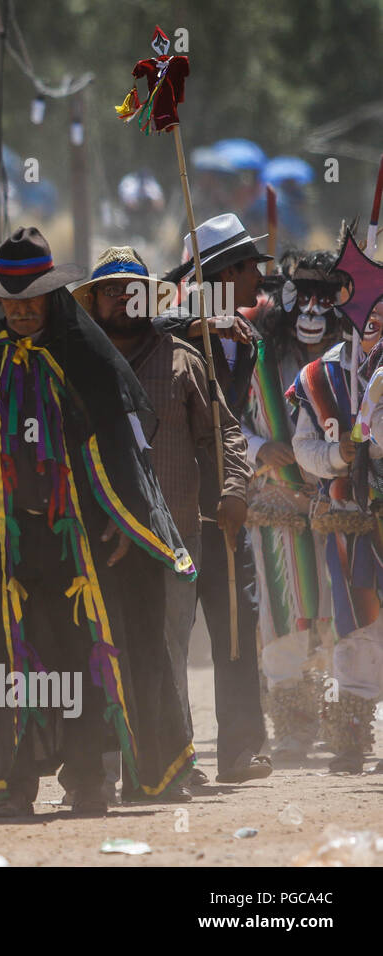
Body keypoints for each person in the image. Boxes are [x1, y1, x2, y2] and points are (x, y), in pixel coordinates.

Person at [0, 227, 197, 817]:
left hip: (82, 544)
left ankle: (89, 778)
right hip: (4, 547)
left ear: (53, 297)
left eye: (33, 296)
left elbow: (122, 449)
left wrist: (122, 518)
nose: (21, 309)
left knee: (86, 655)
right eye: (10, 298)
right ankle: (14, 786)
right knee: (13, 663)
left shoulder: (86, 358)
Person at [76, 245, 260, 794]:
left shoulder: (184, 358)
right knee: (101, 646)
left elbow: (224, 431)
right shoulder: (79, 363)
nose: (122, 299)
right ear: (96, 300)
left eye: (132, 289)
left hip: (173, 534)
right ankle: (104, 766)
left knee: (168, 647)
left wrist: (232, 490)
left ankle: (171, 765)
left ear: (150, 298)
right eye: (110, 290)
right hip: (96, 535)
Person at [157, 214, 286, 783]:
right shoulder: (162, 316)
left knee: (237, 621)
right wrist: (200, 323)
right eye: (250, 268)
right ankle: (174, 754)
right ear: (223, 272)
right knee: (171, 629)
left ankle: (240, 748)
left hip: (228, 500)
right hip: (173, 502)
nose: (260, 279)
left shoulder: (247, 333)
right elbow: (137, 319)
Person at [242, 249, 347, 761]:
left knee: (339, 612)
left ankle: (337, 716)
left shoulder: (353, 359)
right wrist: (261, 447)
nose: (312, 312)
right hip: (277, 505)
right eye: (303, 299)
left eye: (323, 301)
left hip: (342, 509)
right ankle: (291, 726)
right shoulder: (256, 355)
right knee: (283, 615)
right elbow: (226, 421)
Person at [290, 304, 383, 772]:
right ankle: (349, 737)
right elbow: (302, 449)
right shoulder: (319, 376)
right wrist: (338, 455)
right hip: (346, 519)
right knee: (353, 627)